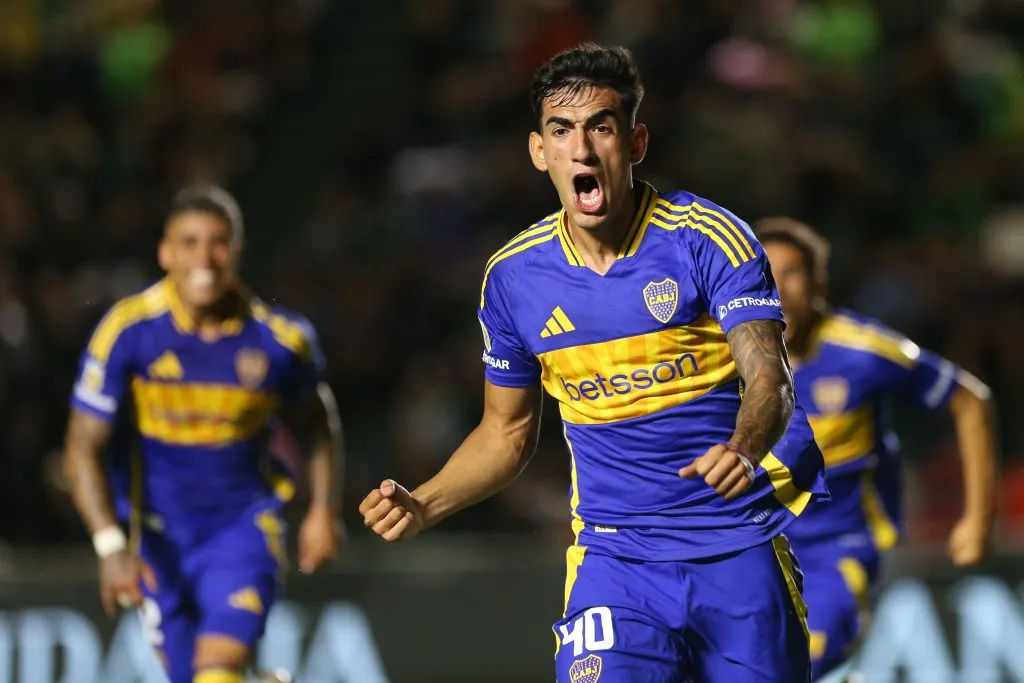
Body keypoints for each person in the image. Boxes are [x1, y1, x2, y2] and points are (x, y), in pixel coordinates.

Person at [360, 43, 828, 683]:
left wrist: (745, 446)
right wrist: (425, 504)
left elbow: (769, 377)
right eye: (562, 131)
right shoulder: (513, 279)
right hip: (616, 558)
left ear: (634, 143)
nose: (581, 149)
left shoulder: (705, 238)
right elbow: (507, 432)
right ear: (538, 151)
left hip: (736, 545)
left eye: (600, 128)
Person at [62, 184, 345, 683]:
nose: (204, 258)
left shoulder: (281, 341)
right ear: (165, 252)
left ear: (237, 250)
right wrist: (109, 547)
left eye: (218, 242)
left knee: (217, 671)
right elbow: (83, 445)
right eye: (189, 242)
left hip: (243, 527)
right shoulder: (128, 332)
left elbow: (317, 425)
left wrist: (323, 509)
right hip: (155, 540)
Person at [755, 217, 997, 682]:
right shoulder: (716, 355)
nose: (778, 290)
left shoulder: (865, 351)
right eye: (765, 274)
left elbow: (971, 401)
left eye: (793, 274)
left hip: (838, 552)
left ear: (820, 284)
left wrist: (978, 520)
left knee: (804, 661)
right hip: (753, 548)